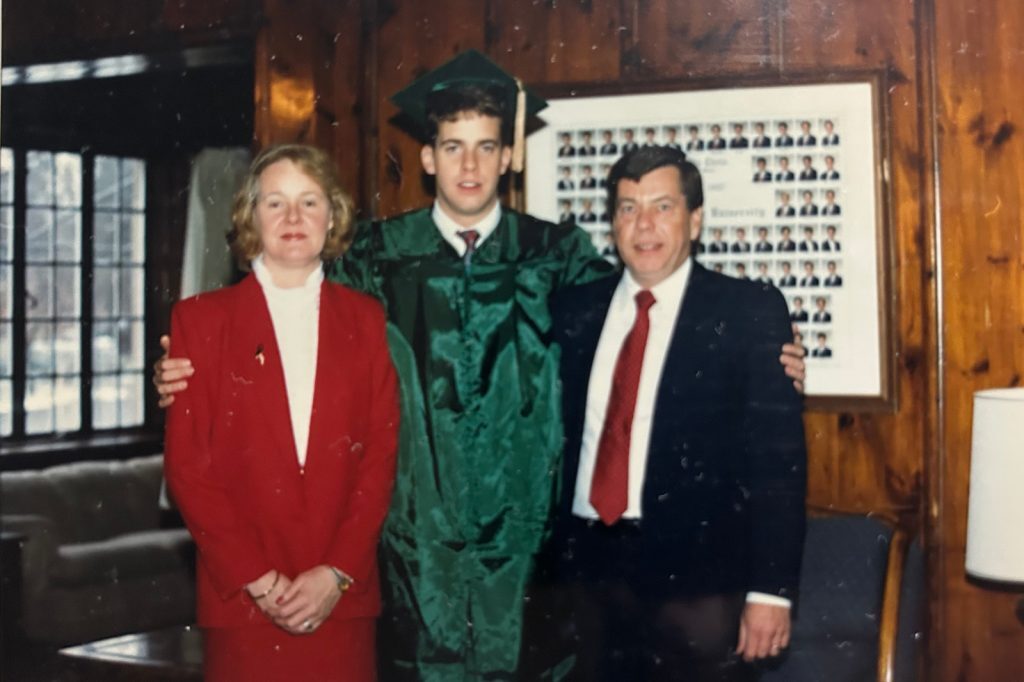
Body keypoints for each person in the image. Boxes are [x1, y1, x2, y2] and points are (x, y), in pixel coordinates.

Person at [155, 51, 808, 681]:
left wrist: (764, 356)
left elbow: (645, 313)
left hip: (526, 562)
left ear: (509, 156)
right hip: (411, 556)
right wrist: (187, 373)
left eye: (487, 146)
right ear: (428, 157)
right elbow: (288, 318)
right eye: (454, 146)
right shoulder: (375, 258)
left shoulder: (556, 256)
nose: (470, 164)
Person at [549, 146, 806, 681]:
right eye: (627, 208)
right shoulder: (571, 310)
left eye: (662, 207)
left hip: (699, 586)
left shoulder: (747, 312)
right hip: (585, 579)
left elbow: (777, 464)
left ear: (695, 220)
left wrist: (771, 592)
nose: (644, 224)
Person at [163, 145, 399, 682]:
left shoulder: (366, 319)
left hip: (339, 599)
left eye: (309, 201)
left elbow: (380, 457)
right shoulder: (200, 321)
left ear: (333, 216)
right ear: (250, 217)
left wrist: (335, 574)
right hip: (243, 600)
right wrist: (260, 580)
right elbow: (187, 470)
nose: (293, 218)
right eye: (275, 203)